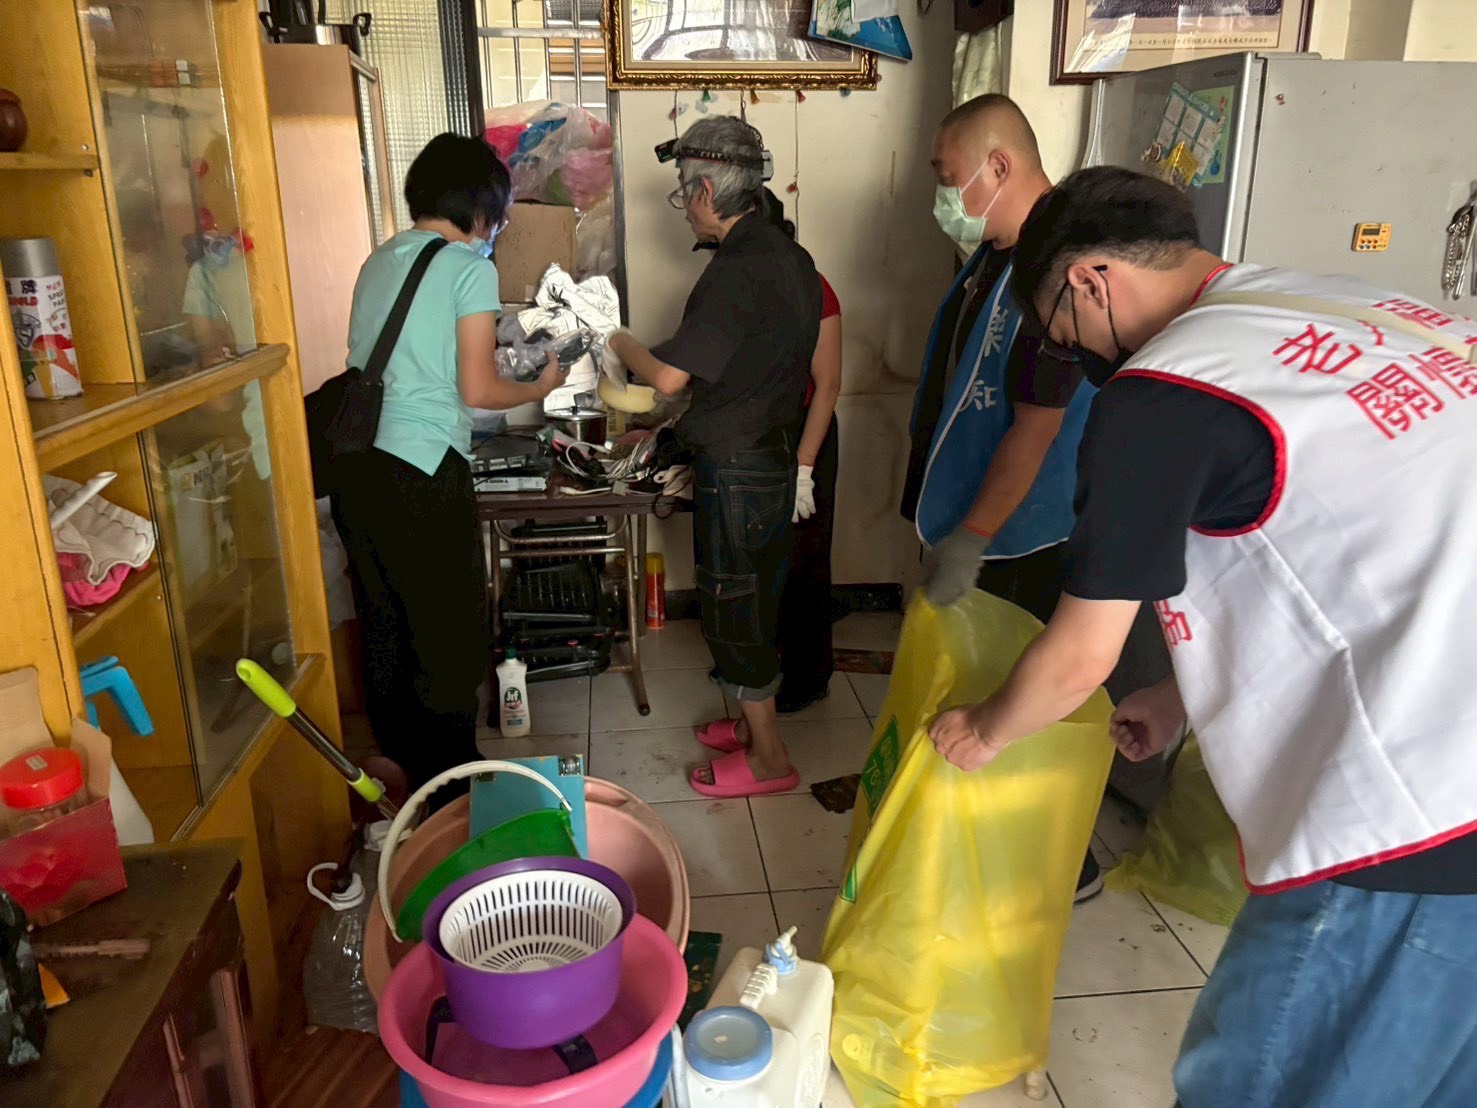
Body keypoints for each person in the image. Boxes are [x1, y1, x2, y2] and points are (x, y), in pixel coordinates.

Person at [931, 165, 1477, 1106]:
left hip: (1418, 812)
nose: (1074, 357)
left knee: (1268, 1080)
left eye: (1061, 332)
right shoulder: (1343, 308)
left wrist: (979, 732)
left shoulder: (1163, 393)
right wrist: (1179, 694)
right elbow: (1368, 548)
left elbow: (1079, 657)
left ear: (1089, 280)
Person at [898, 93, 1115, 901]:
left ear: (998, 166)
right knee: (975, 682)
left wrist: (973, 536)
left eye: (946, 175)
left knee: (1016, 690)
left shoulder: (1057, 274)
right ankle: (987, 838)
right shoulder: (996, 254)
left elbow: (1035, 427)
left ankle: (1054, 864)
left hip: (1022, 530)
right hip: (975, 513)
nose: (940, 192)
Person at [332, 133, 564, 794]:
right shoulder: (467, 267)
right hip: (423, 469)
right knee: (446, 631)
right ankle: (454, 783)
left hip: (358, 469)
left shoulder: (380, 258)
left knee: (384, 623)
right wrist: (541, 385)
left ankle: (403, 780)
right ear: (481, 206)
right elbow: (479, 390)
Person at [605, 117, 821, 798]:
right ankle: (754, 729)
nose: (683, 206)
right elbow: (740, 375)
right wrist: (666, 434)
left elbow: (669, 377)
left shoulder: (739, 268)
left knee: (735, 607)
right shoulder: (788, 257)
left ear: (704, 190)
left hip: (740, 470)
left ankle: (769, 757)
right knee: (752, 596)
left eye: (682, 190)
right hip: (766, 455)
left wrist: (618, 339)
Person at [760, 188, 844, 714]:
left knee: (803, 561)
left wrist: (804, 468)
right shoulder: (736, 285)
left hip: (805, 430)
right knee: (759, 557)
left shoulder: (813, 286)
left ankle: (808, 676)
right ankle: (759, 665)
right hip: (758, 433)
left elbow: (828, 383)